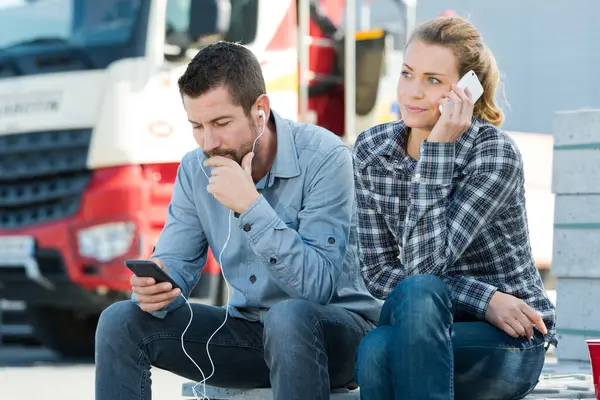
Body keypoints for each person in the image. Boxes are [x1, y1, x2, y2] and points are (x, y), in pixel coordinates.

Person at [94, 41, 381, 400]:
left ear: (260, 110)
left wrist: (251, 206)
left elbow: (316, 287)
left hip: (337, 337)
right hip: (250, 336)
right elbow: (176, 264)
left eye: (221, 122)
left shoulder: (325, 157)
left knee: (288, 318)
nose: (208, 142)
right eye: (197, 125)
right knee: (119, 321)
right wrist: (157, 286)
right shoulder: (194, 169)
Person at [352, 16, 557, 400]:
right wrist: (484, 299)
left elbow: (425, 267)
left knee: (382, 346)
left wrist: (439, 150)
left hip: (510, 338)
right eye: (407, 73)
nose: (412, 93)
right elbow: (378, 272)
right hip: (432, 318)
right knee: (380, 343)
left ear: (467, 91)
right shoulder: (371, 151)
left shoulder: (493, 154)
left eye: (433, 80)